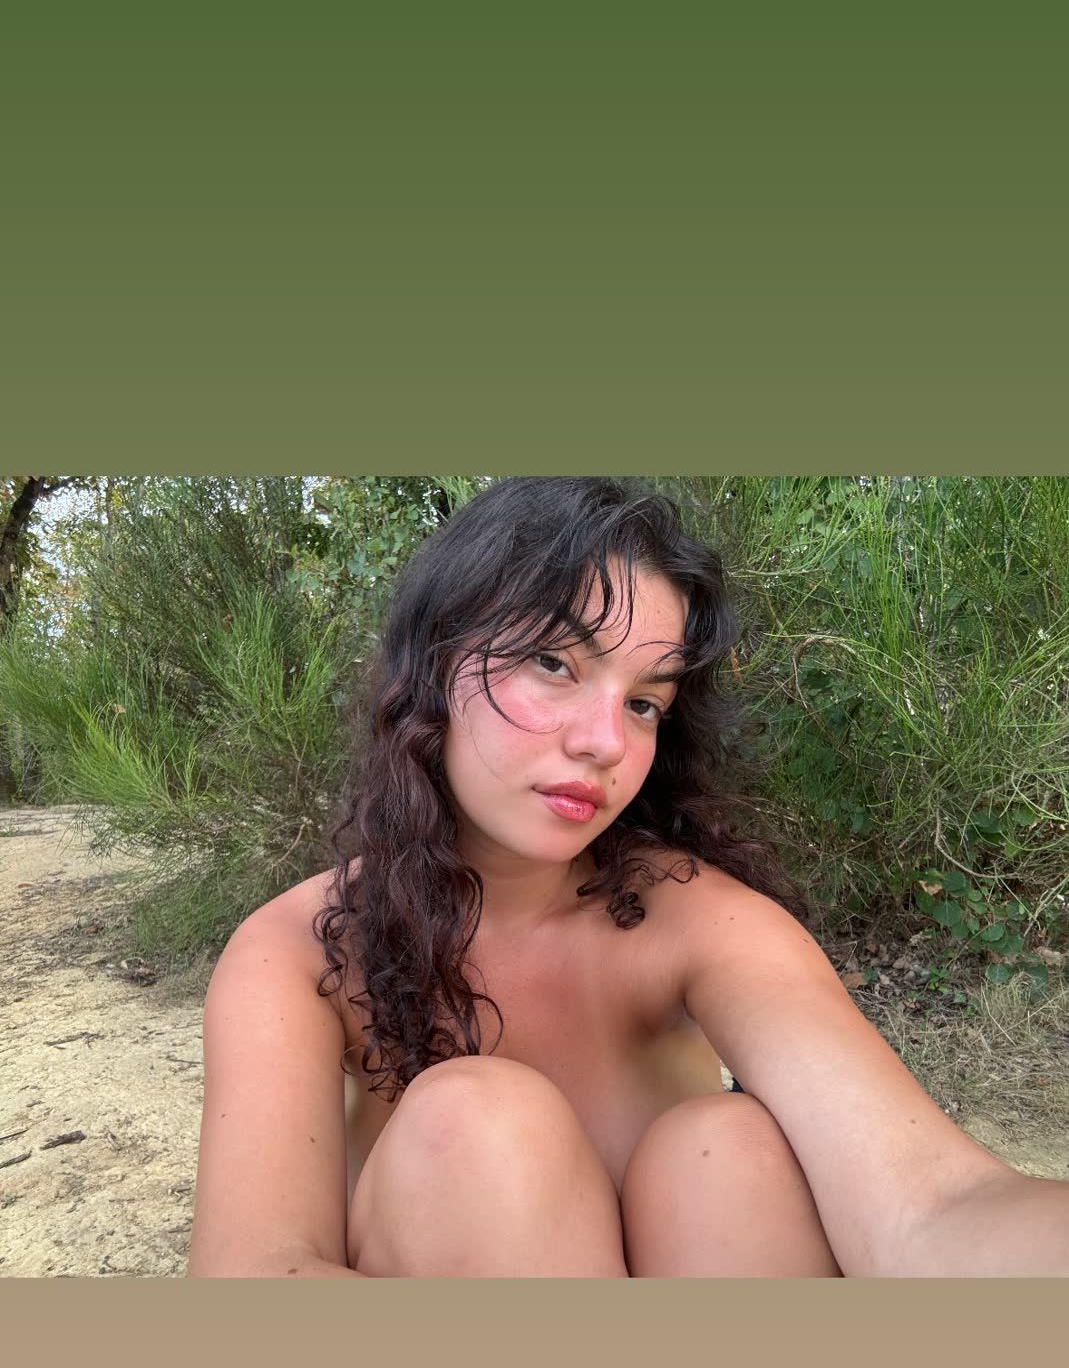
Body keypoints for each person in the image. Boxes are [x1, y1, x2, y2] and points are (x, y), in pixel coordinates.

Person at [188, 477, 1069, 1278]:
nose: (605, 743)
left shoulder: (696, 920)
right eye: (553, 662)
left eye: (644, 702)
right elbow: (255, 1272)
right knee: (474, 1125)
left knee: (729, 1152)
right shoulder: (297, 951)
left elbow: (927, 1209)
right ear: (431, 665)